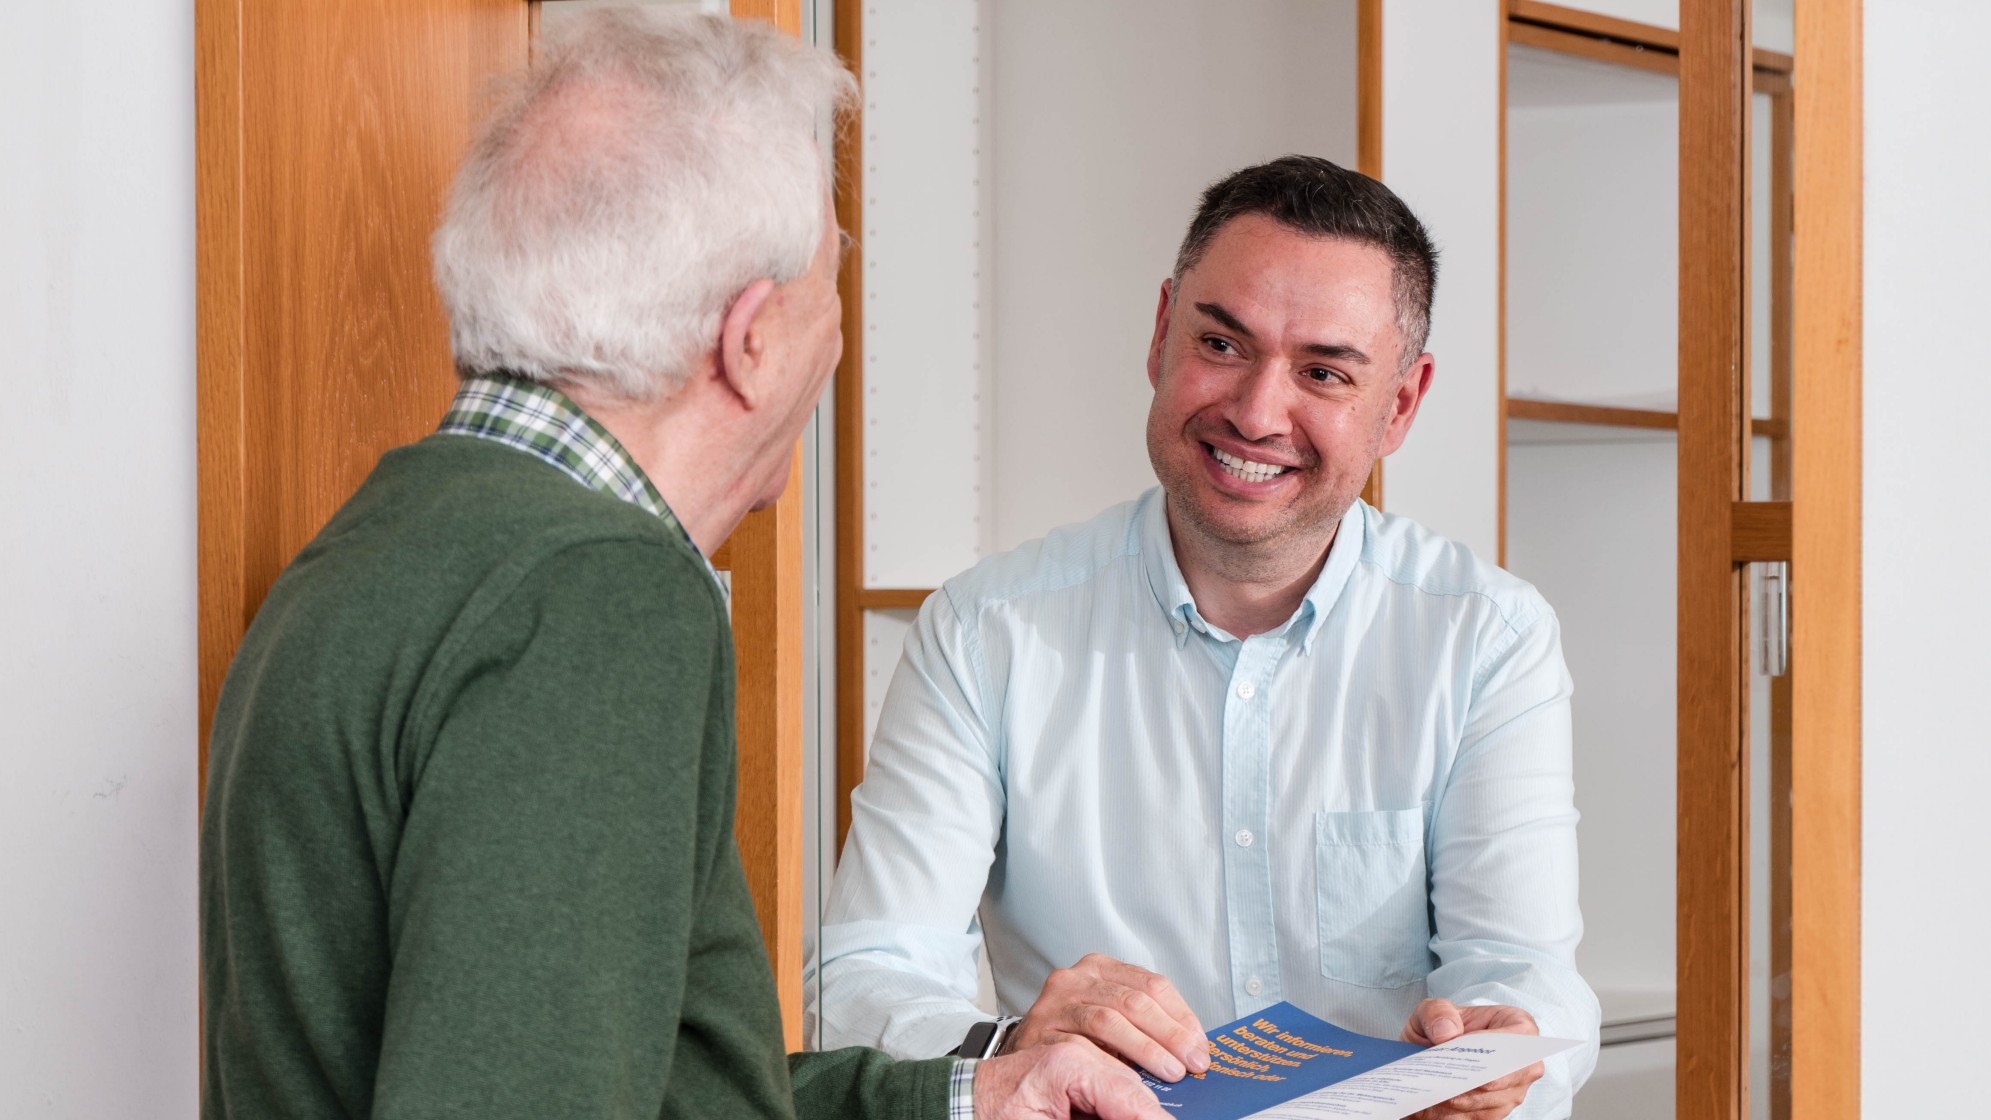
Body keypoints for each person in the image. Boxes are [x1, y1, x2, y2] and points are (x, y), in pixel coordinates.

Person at [198, 12, 1167, 1120]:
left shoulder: (382, 540)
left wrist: (968, 1096)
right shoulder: (592, 596)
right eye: (829, 272)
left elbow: (642, 1078)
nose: (838, 324)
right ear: (750, 338)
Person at [811, 156, 1601, 1119]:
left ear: (1399, 405)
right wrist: (1013, 1047)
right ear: (1159, 335)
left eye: (1323, 372)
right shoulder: (985, 632)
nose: (1256, 412)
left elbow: (1525, 971)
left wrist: (1498, 1049)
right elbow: (864, 977)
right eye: (1222, 345)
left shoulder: (1486, 637)